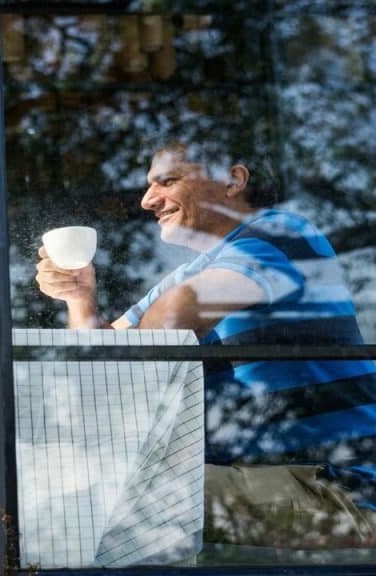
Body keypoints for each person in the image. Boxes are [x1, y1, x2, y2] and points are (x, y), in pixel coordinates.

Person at [36, 141, 376, 549]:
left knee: (97, 496)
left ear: (233, 180)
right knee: (75, 485)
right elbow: (99, 368)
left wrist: (129, 376)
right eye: (148, 187)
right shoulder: (191, 273)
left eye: (167, 181)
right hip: (263, 482)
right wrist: (80, 299)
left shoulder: (281, 234)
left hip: (340, 491)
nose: (147, 201)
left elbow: (176, 313)